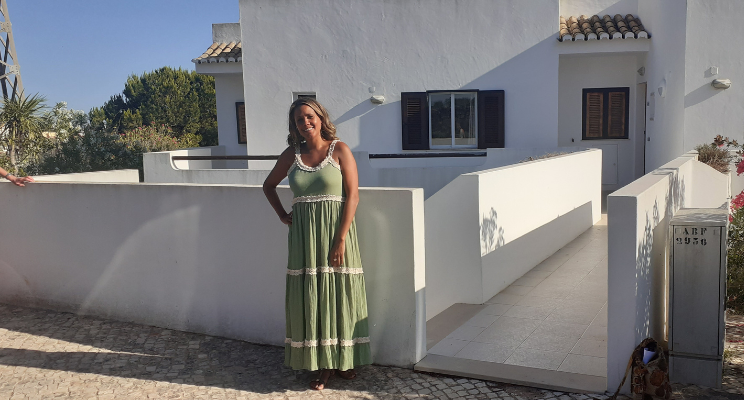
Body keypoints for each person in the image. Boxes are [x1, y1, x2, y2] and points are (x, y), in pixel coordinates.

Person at [263, 98, 371, 390]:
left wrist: (341, 239)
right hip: (304, 239)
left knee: (339, 294)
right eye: (299, 120)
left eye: (309, 116)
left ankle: (342, 360)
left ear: (321, 118)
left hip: (337, 234)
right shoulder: (291, 155)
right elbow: (268, 186)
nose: (305, 123)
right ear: (294, 126)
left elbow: (353, 196)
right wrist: (282, 215)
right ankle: (323, 365)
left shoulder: (340, 149)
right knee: (313, 295)